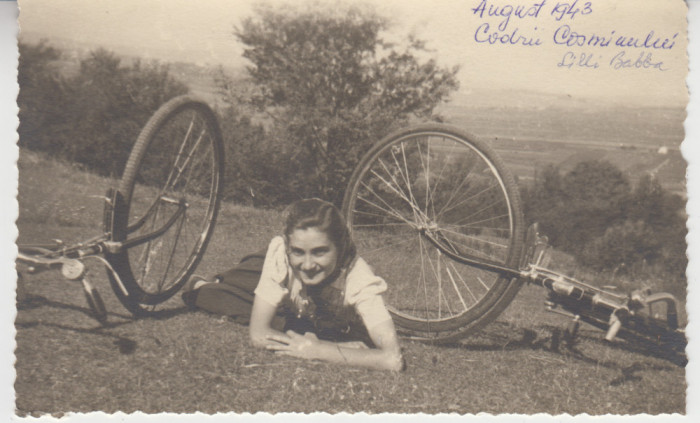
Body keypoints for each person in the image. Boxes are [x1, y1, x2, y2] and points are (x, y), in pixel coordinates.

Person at [181, 198, 404, 371]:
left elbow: (392, 358)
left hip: (301, 310)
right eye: (298, 251)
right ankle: (218, 281)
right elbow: (258, 334)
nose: (307, 265)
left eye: (320, 252)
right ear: (288, 245)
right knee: (236, 279)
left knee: (214, 299)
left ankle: (204, 286)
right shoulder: (282, 255)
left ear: (341, 246)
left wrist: (318, 350)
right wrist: (332, 349)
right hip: (273, 273)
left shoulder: (359, 279)